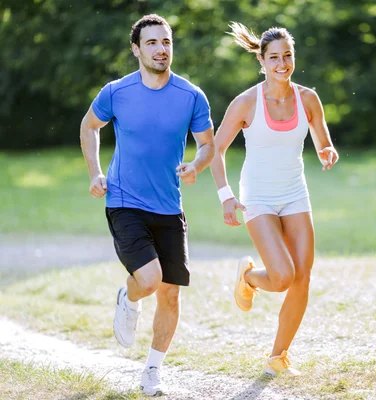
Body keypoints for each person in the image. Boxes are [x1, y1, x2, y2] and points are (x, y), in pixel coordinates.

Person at [80, 14, 214, 395]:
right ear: (137, 49)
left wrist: (196, 165)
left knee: (171, 293)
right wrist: (94, 173)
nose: (161, 49)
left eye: (166, 42)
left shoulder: (191, 96)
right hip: (125, 201)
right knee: (151, 281)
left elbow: (208, 144)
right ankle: (131, 294)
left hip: (169, 206)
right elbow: (89, 126)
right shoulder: (116, 92)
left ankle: (152, 370)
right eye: (152, 43)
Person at [210, 22, 339, 376]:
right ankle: (250, 278)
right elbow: (215, 150)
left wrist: (327, 152)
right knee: (282, 276)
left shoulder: (307, 98)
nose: (282, 63)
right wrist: (226, 197)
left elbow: (322, 139)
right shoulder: (247, 102)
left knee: (302, 278)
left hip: (295, 193)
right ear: (262, 61)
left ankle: (278, 357)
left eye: (288, 56)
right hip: (259, 197)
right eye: (274, 58)